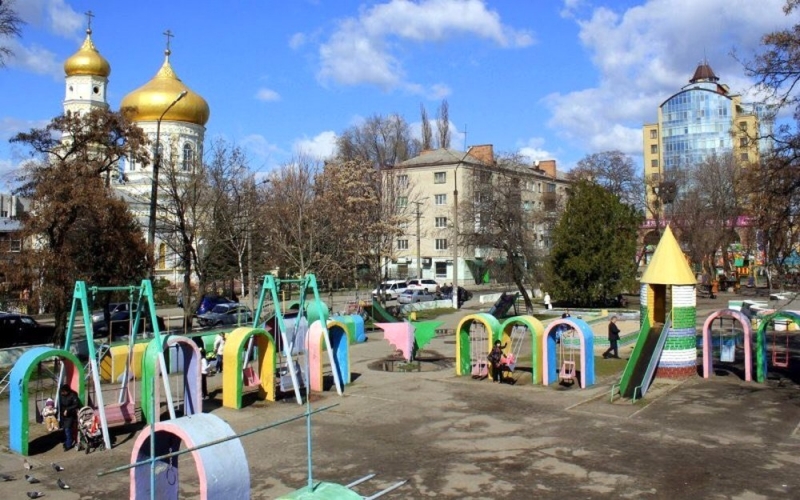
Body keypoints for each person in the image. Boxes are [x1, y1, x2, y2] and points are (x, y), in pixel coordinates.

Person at [58, 384, 80, 451]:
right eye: (62, 392)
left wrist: (68, 409)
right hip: (63, 414)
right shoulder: (62, 395)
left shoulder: (73, 395)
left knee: (67, 429)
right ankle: (67, 441)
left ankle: (69, 444)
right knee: (64, 429)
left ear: (67, 391)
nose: (62, 393)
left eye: (63, 392)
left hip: (70, 415)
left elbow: (76, 404)